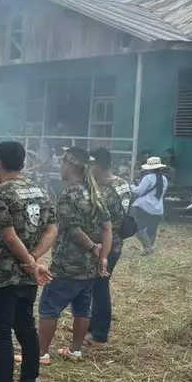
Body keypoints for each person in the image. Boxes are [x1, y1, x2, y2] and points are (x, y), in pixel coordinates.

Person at [0, 141, 57, 382]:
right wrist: (33, 261)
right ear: (23, 163)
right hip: (26, 277)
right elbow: (52, 230)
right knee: (25, 326)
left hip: (2, 276)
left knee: (0, 334)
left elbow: (9, 237)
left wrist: (29, 263)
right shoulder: (42, 191)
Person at [36, 147, 111, 364]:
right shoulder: (95, 192)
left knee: (49, 308)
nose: (60, 166)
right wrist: (102, 255)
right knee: (82, 308)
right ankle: (75, 350)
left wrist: (92, 248)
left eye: (62, 162)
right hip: (89, 267)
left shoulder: (69, 194)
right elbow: (107, 227)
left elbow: (74, 230)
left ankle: (41, 353)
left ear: (70, 164)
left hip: (68, 263)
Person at [88, 148, 133, 346]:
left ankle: (100, 333)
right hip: (116, 242)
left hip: (103, 245)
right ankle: (91, 323)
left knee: (99, 288)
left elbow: (96, 221)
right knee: (97, 286)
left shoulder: (102, 190)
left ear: (97, 166)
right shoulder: (122, 183)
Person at [132, 157, 168, 256]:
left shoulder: (148, 178)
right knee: (152, 231)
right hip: (158, 209)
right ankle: (149, 250)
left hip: (145, 207)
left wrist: (132, 187)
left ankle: (148, 248)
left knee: (138, 229)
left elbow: (139, 191)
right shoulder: (164, 179)